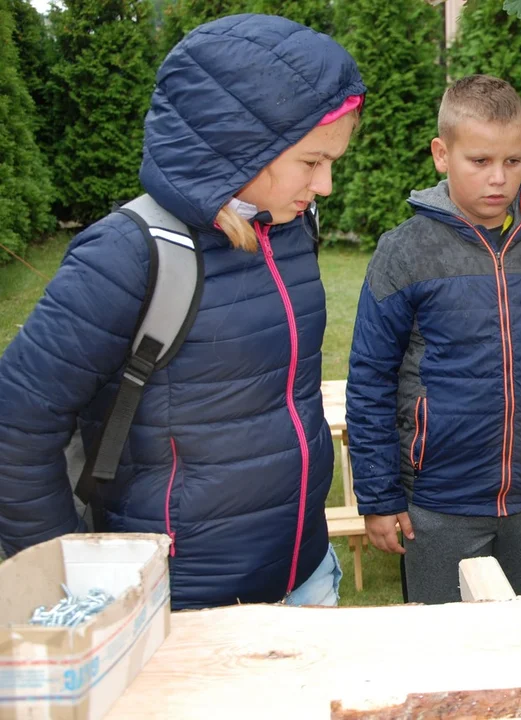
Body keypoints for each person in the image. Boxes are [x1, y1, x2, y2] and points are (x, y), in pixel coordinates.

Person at [0, 14, 367, 609]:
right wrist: (61, 594)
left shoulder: (290, 229)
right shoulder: (125, 254)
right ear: (239, 144)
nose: (324, 186)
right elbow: (18, 426)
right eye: (311, 162)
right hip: (180, 605)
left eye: (332, 163)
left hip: (303, 576)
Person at [346, 75, 521, 604]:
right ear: (442, 154)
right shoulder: (404, 252)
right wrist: (377, 495)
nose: (499, 179)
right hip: (437, 502)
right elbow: (370, 377)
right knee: (440, 657)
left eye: (513, 161)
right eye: (480, 161)